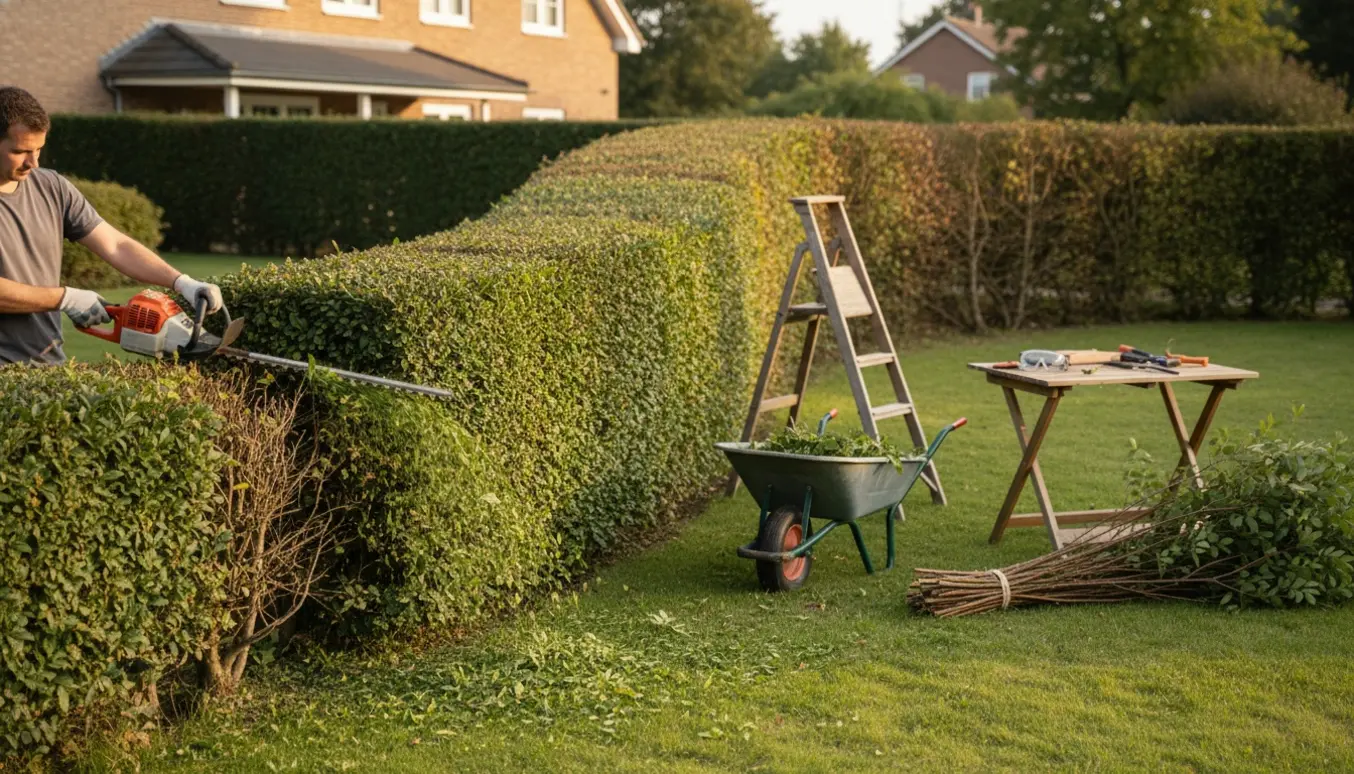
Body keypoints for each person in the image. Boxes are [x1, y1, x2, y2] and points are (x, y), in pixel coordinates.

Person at [0, 86, 223, 365]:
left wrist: (181, 282)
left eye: (39, 150)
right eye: (21, 151)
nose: (33, 162)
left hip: (46, 363)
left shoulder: (51, 187)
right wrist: (65, 298)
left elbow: (115, 245)